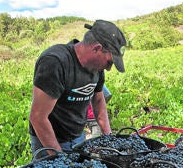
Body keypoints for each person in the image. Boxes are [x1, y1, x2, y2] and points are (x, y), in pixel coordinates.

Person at [29, 20, 126, 156]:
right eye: (109, 62)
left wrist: (109, 138)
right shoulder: (55, 62)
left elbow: (98, 101)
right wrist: (59, 158)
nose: (109, 68)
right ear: (97, 48)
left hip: (78, 138)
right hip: (48, 141)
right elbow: (38, 117)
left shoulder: (96, 67)